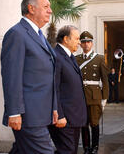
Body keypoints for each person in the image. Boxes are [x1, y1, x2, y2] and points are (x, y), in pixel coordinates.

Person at [1, 0, 58, 153]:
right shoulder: (17, 34)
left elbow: (47, 77)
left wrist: (53, 107)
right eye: (46, 6)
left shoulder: (39, 35)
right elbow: (12, 76)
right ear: (31, 8)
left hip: (41, 113)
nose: (50, 10)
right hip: (29, 116)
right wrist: (13, 112)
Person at [48, 25, 88, 154]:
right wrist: (59, 114)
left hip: (74, 117)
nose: (79, 42)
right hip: (64, 118)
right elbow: (54, 88)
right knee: (67, 151)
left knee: (70, 150)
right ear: (66, 39)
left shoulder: (69, 56)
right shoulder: (56, 56)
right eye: (76, 39)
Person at [75, 31, 109, 154]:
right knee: (83, 124)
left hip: (95, 96)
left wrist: (104, 98)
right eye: (83, 42)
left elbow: (105, 80)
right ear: (80, 44)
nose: (86, 45)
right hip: (81, 96)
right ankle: (86, 148)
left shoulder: (99, 58)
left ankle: (95, 147)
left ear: (92, 43)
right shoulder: (76, 59)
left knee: (94, 123)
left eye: (88, 42)